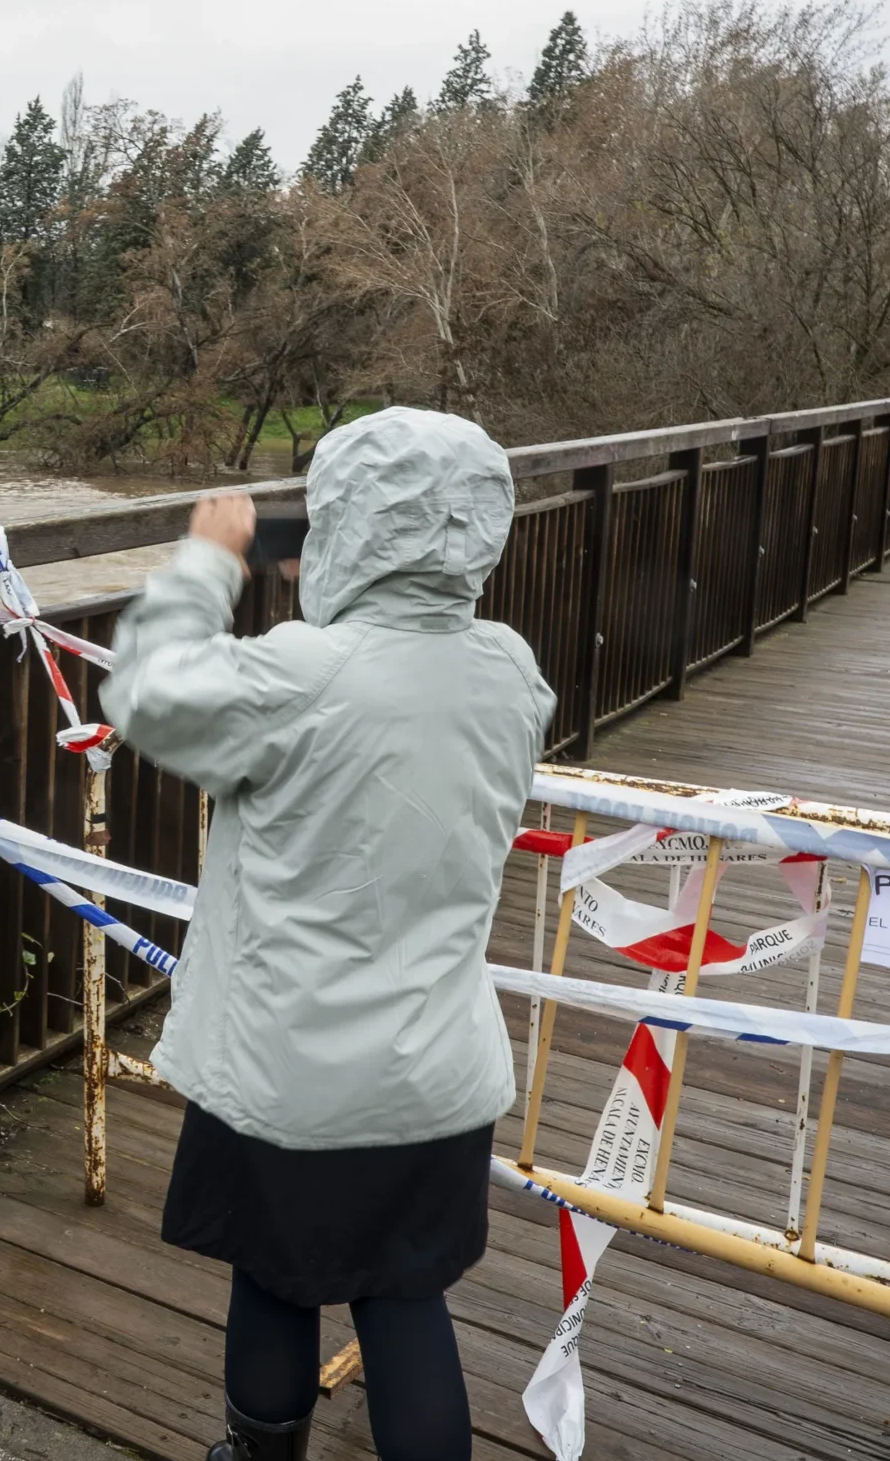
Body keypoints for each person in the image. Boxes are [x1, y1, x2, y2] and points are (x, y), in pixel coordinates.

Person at [102, 407, 556, 1461]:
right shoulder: (507, 672)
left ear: (343, 529)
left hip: (292, 1074)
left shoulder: (300, 673)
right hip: (437, 1069)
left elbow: (147, 693)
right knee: (404, 1296)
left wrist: (208, 565)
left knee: (274, 1276)